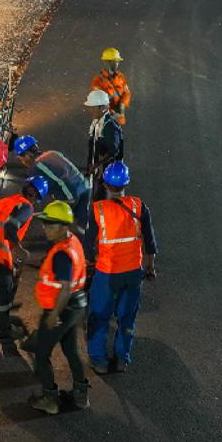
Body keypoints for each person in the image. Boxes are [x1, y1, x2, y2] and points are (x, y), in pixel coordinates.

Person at [86, 160, 158, 375]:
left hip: (107, 273)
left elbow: (88, 243)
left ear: (106, 185)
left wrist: (89, 261)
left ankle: (99, 359)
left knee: (99, 316)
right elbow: (150, 241)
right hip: (133, 273)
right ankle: (121, 358)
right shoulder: (138, 205)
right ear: (126, 183)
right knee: (127, 316)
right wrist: (150, 267)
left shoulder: (97, 210)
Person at [26, 201, 90, 414]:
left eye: (50, 225)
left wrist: (54, 315)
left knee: (41, 353)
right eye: (45, 224)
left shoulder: (62, 254)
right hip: (76, 306)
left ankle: (50, 399)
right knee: (71, 350)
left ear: (64, 226)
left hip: (60, 309)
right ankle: (81, 396)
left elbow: (65, 287)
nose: (45, 228)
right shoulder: (72, 242)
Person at [0, 175, 48, 339]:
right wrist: (19, 249)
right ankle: (2, 328)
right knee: (3, 290)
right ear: (38, 196)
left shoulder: (6, 201)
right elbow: (10, 227)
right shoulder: (26, 207)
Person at [14, 135, 93, 258]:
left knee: (52, 225)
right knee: (82, 227)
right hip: (85, 189)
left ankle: (52, 258)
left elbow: (36, 193)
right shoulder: (53, 153)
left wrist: (26, 209)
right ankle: (87, 258)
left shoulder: (36, 167)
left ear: (28, 155)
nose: (23, 162)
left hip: (69, 197)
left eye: (21, 158)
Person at [84, 88, 124, 187]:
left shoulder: (110, 127)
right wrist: (91, 164)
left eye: (94, 108)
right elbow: (93, 146)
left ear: (103, 108)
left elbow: (113, 152)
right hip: (100, 171)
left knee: (105, 198)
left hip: (110, 176)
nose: (91, 111)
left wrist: (96, 165)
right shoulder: (97, 123)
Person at [90, 47, 132, 125]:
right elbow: (97, 100)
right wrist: (111, 97)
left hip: (118, 119)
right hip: (104, 121)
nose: (117, 64)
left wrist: (122, 104)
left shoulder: (121, 77)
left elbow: (127, 93)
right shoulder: (98, 80)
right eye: (115, 61)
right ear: (108, 62)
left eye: (117, 61)